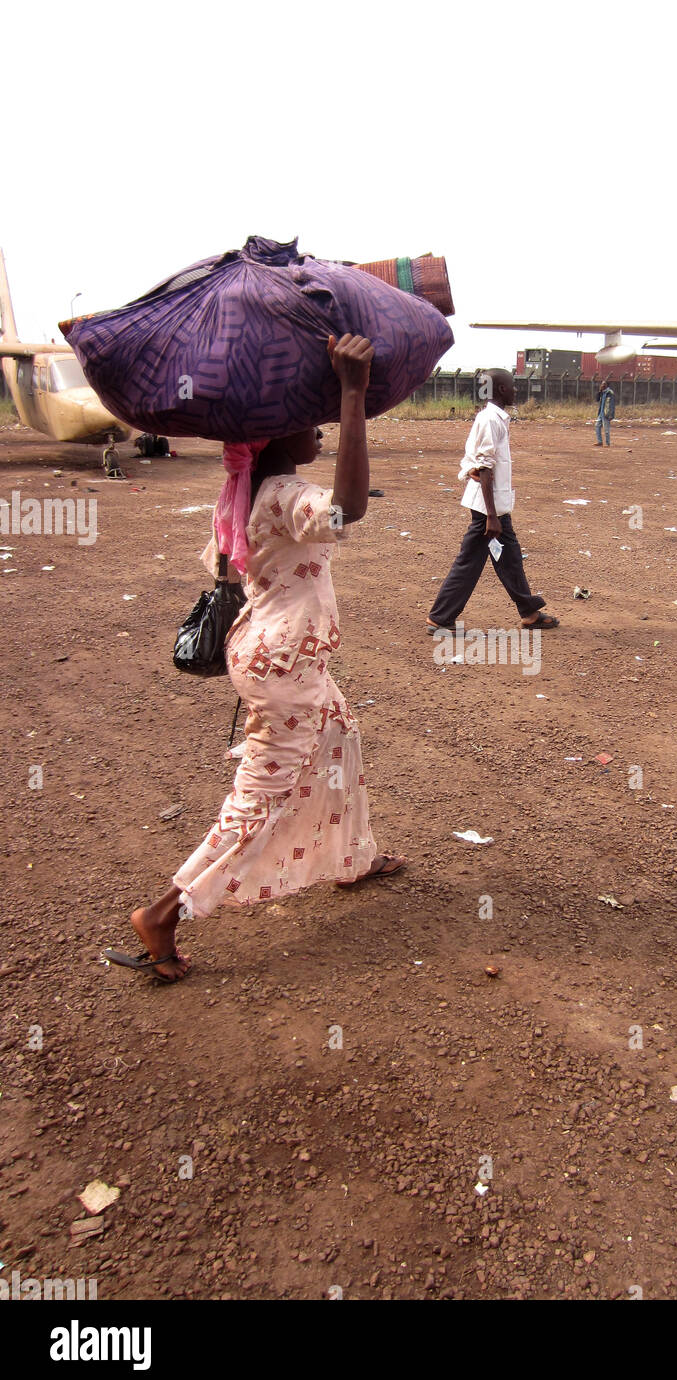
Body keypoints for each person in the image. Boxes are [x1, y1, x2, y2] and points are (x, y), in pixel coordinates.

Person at [106, 334, 403, 983]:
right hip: (283, 664)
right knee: (260, 796)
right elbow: (348, 507)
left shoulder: (246, 490)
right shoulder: (284, 494)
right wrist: (352, 391)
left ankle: (352, 856)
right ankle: (161, 913)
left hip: (274, 651)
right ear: (274, 438)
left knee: (339, 737)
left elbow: (226, 565)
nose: (319, 433)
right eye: (309, 424)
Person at [427, 368, 558, 634]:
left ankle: (529, 613)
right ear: (500, 389)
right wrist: (491, 515)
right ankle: (440, 618)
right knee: (470, 562)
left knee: (509, 559)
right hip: (487, 508)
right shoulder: (490, 419)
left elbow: (475, 461)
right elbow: (484, 467)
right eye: (513, 386)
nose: (516, 390)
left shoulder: (494, 418)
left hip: (493, 506)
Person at [595, 379, 615, 447]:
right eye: (602, 384)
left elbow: (612, 405)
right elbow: (597, 400)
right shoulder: (602, 392)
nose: (602, 385)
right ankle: (600, 441)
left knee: (606, 429)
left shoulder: (610, 393)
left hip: (606, 413)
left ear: (607, 385)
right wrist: (599, 391)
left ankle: (607, 443)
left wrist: (611, 415)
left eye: (604, 384)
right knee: (597, 426)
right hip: (601, 413)